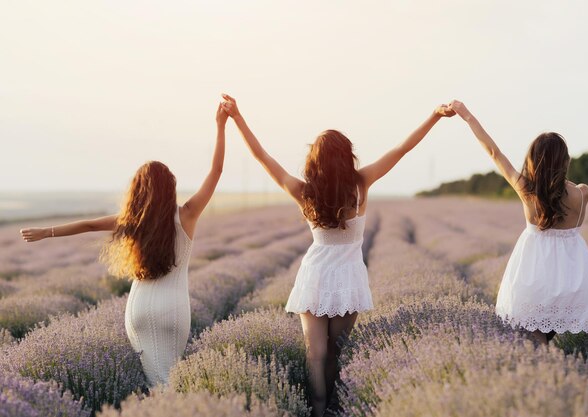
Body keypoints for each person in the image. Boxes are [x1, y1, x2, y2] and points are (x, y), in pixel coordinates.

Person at [220, 93, 454, 416]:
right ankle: (330, 408)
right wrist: (434, 116)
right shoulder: (361, 184)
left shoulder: (305, 193)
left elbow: (262, 157)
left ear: (314, 162)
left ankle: (317, 410)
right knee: (333, 354)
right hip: (348, 278)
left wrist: (237, 118)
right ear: (347, 158)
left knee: (314, 353)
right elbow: (402, 150)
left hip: (315, 276)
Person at [19, 103, 228, 386]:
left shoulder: (133, 221)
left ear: (138, 191)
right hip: (173, 308)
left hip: (139, 309)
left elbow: (89, 225)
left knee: (154, 382)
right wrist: (220, 125)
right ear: (171, 188)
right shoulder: (187, 215)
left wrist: (47, 232)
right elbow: (215, 171)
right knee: (170, 382)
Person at [449, 100, 588, 345]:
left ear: (532, 159)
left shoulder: (527, 191)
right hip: (572, 281)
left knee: (534, 341)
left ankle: (545, 371)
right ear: (566, 160)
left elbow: (494, 152)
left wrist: (467, 116)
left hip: (534, 278)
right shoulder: (583, 193)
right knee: (550, 339)